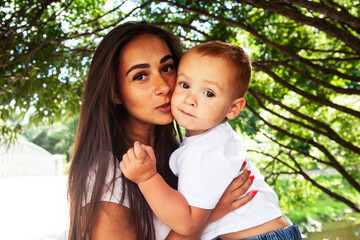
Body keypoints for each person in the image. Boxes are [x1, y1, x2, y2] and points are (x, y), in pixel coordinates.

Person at [67, 22, 255, 240]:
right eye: (140, 76)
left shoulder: (185, 151)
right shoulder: (107, 174)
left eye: (167, 68)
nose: (164, 86)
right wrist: (209, 215)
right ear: (115, 93)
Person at [120, 41, 302, 239]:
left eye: (209, 93)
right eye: (185, 85)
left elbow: (188, 224)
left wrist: (146, 178)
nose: (190, 99)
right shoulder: (212, 138)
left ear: (233, 109)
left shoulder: (207, 150)